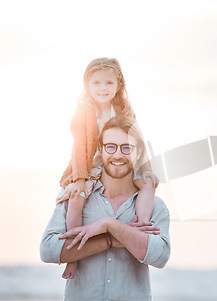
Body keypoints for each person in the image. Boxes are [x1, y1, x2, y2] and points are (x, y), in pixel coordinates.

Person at [40, 115, 171, 301]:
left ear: (139, 152)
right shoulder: (76, 196)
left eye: (127, 147)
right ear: (100, 150)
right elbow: (48, 250)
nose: (118, 155)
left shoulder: (155, 206)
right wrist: (111, 239)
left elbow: (160, 256)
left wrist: (109, 224)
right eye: (111, 146)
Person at [57, 57, 158, 279]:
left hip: (122, 162)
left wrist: (147, 167)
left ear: (119, 85)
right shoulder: (83, 112)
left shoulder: (123, 109)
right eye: (96, 83)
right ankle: (73, 258)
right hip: (89, 164)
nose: (103, 88)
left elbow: (138, 139)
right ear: (87, 85)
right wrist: (81, 179)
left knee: (149, 183)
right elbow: (79, 148)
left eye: (109, 83)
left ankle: (139, 225)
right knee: (76, 199)